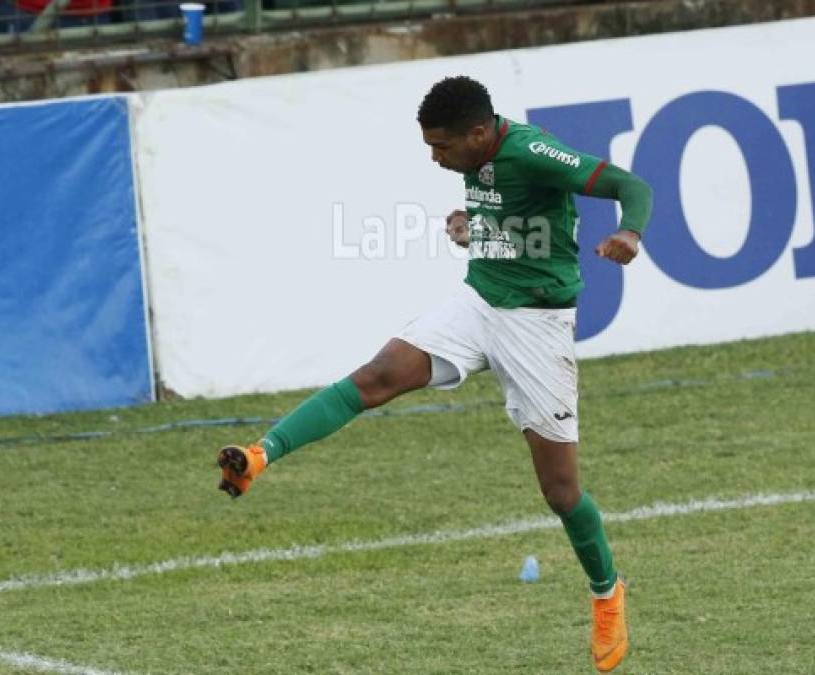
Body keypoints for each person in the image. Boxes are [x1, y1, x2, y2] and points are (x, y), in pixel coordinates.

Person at [216, 75, 652, 673]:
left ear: (479, 133)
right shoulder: (475, 156)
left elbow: (631, 184)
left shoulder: (531, 151)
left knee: (561, 492)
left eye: (442, 147)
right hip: (477, 305)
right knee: (378, 375)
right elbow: (507, 214)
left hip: (536, 327)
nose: (435, 157)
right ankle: (260, 454)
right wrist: (471, 227)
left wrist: (630, 230)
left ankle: (607, 593)